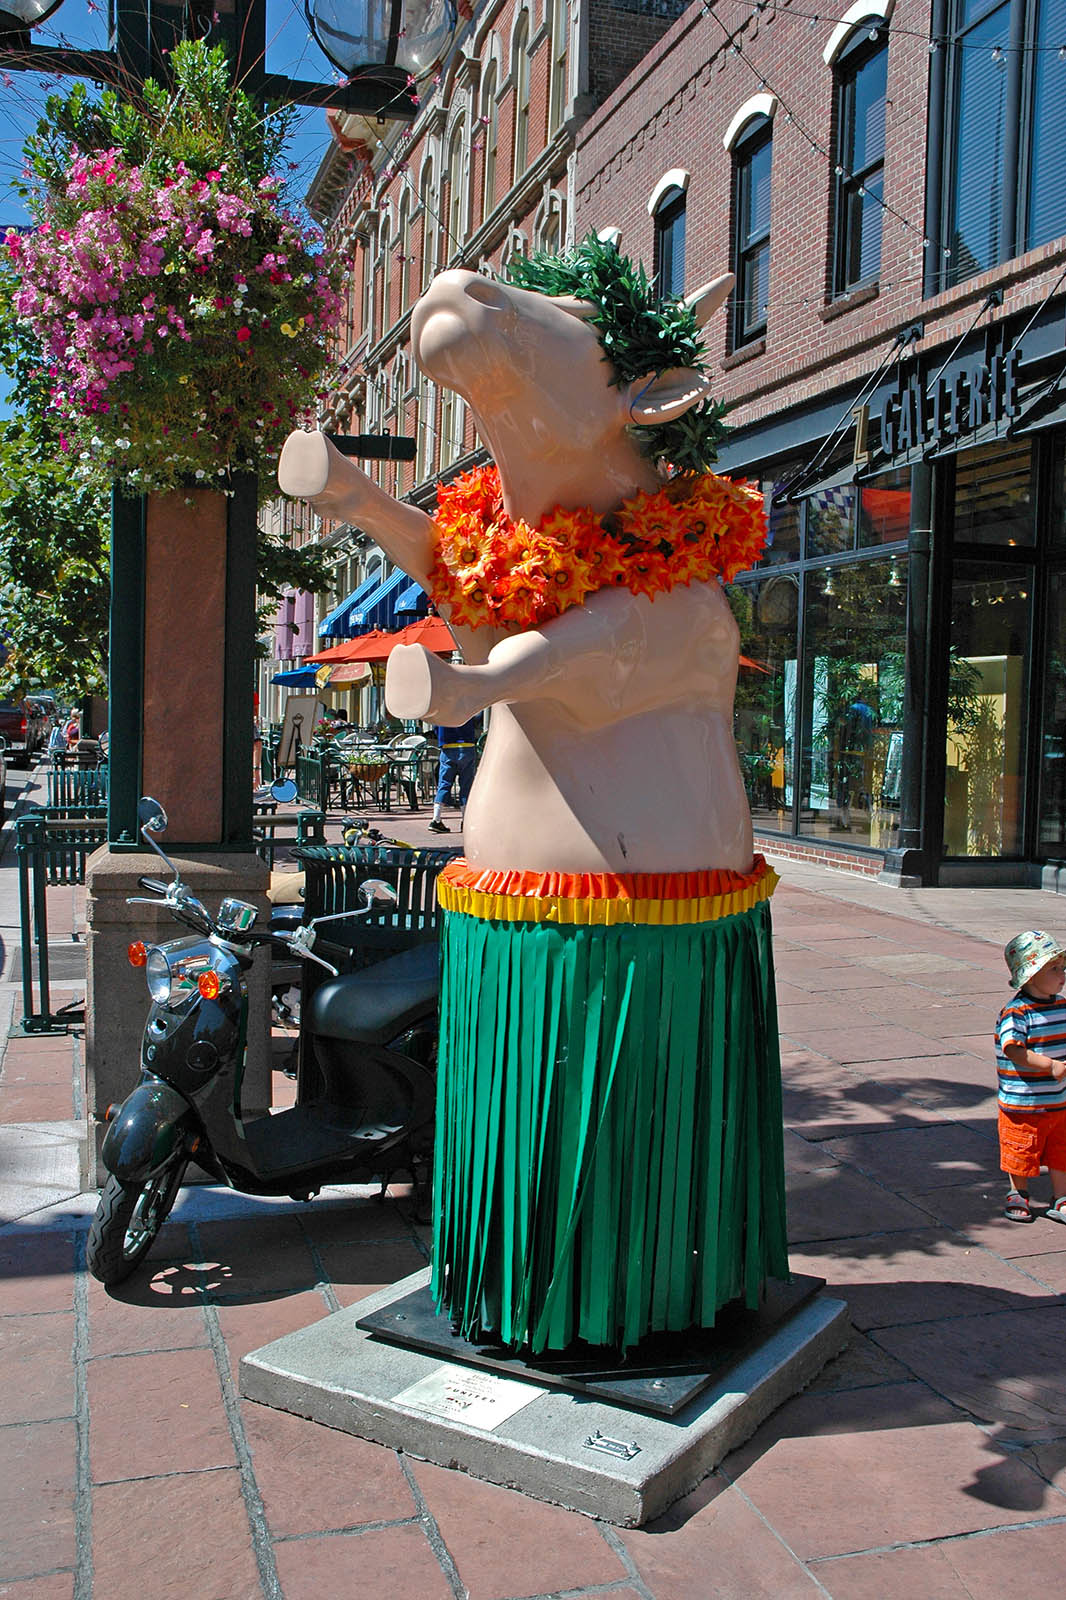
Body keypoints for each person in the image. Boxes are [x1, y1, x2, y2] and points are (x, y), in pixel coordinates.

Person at [995, 930, 1066, 1223]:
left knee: (1061, 1150)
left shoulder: (1061, 1005)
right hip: (1023, 1102)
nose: (1062, 974)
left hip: (1058, 1101)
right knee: (1021, 1149)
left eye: (1062, 967)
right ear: (1031, 974)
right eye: (1054, 968)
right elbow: (1014, 1049)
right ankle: (1018, 1193)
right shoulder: (1017, 1011)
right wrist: (1049, 1066)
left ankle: (1061, 1197)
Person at [428, 716, 479, 833]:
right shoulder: (467, 705)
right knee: (466, 785)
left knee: (444, 783)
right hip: (467, 745)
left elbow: (435, 725)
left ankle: (436, 819)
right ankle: (465, 820)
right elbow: (477, 718)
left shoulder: (443, 708)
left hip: (447, 746)